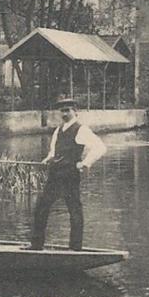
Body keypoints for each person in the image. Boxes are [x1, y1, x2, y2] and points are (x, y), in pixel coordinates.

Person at [27, 97, 106, 251]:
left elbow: (100, 147)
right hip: (55, 175)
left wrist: (85, 162)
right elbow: (53, 152)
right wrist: (47, 159)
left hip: (70, 176)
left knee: (74, 210)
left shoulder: (81, 129)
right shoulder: (58, 130)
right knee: (41, 207)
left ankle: (75, 248)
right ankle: (36, 245)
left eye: (67, 110)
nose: (64, 114)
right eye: (62, 111)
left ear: (75, 112)